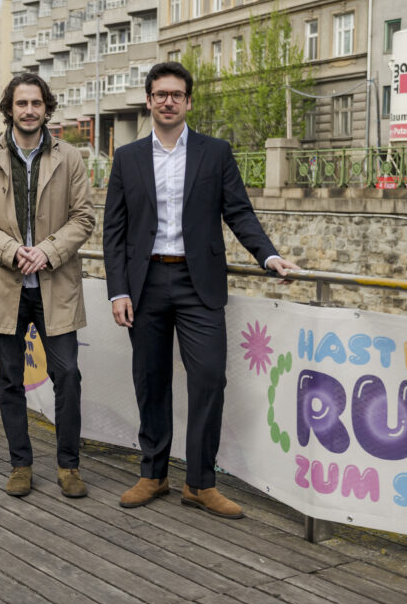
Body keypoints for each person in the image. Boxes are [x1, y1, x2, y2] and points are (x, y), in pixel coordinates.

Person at [103, 61, 300, 519]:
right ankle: (153, 473)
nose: (168, 101)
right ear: (149, 101)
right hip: (145, 284)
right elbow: (114, 231)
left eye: (176, 94)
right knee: (150, 382)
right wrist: (118, 291)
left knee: (210, 378)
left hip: (199, 285)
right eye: (160, 94)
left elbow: (240, 213)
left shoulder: (215, 153)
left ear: (189, 102)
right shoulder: (128, 157)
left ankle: (199, 482)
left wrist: (268, 257)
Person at [0, 73, 95, 498]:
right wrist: (12, 250)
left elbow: (84, 218)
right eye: (22, 104)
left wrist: (48, 251)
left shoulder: (70, 158)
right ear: (10, 109)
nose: (30, 110)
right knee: (10, 380)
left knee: (67, 374)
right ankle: (21, 464)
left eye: (37, 103)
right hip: (5, 285)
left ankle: (68, 466)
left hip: (55, 285)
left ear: (46, 108)